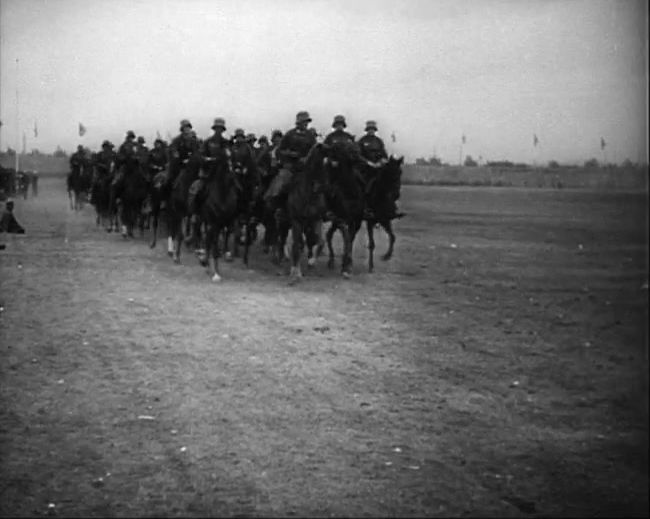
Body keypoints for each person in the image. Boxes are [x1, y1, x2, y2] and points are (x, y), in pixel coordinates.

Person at [186, 117, 231, 246]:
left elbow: (229, 156)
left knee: (236, 189)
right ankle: (195, 215)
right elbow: (200, 156)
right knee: (197, 190)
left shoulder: (226, 143)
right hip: (208, 174)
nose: (219, 131)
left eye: (221, 129)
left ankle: (236, 218)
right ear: (214, 129)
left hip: (222, 174)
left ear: (223, 130)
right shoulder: (207, 142)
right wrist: (208, 159)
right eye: (217, 128)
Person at [265, 111, 317, 213]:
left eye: (307, 122)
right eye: (304, 121)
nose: (306, 124)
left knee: (322, 183)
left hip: (306, 168)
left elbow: (314, 151)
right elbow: (280, 150)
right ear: (299, 122)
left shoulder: (310, 136)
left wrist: (309, 159)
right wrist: (290, 155)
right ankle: (277, 207)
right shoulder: (290, 134)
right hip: (291, 167)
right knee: (280, 183)